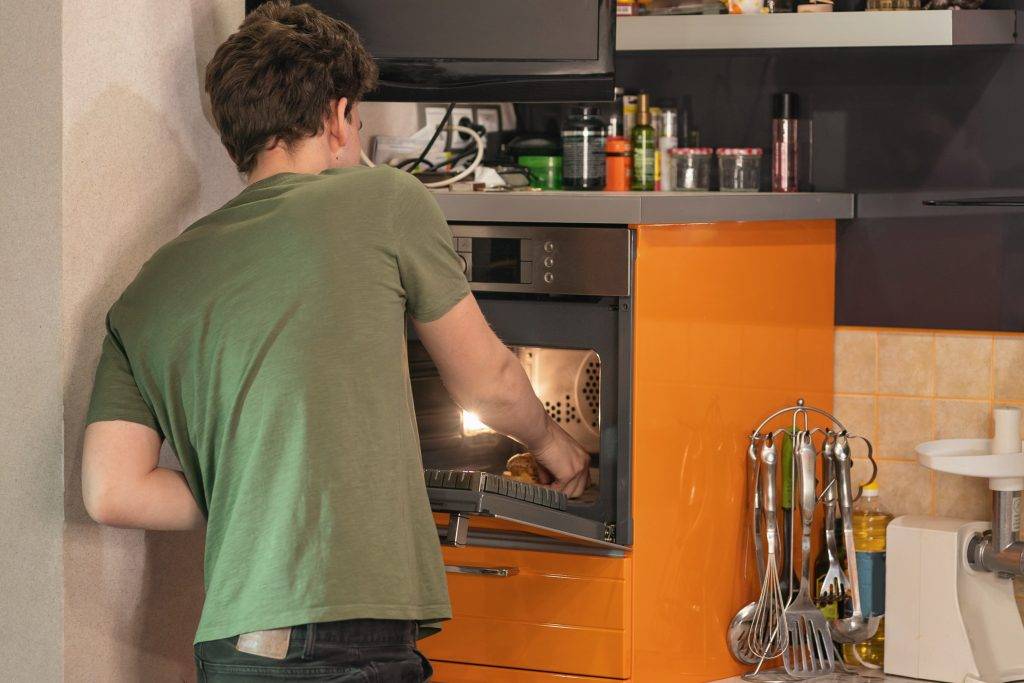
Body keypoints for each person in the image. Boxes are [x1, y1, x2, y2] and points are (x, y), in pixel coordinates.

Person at [80, 2, 590, 681]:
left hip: (234, 645)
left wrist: (260, 480)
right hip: (339, 634)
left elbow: (111, 490)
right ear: (335, 116)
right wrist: (559, 448)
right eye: (356, 117)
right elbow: (488, 383)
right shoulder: (384, 201)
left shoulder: (147, 291)